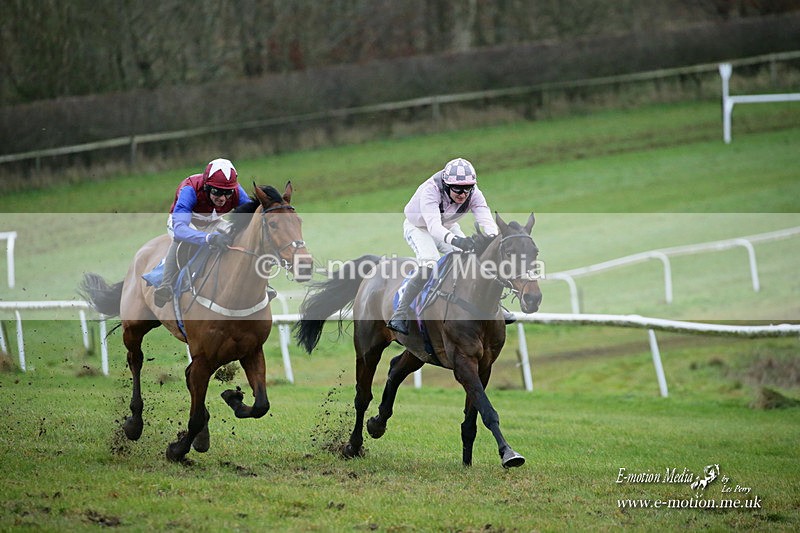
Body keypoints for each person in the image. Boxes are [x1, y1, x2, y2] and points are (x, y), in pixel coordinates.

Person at [386, 157, 515, 334]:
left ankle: (497, 306)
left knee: (474, 260)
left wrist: (492, 239)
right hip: (419, 227)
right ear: (446, 186)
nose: (463, 194)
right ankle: (400, 313)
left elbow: (485, 218)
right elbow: (433, 227)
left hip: (447, 226)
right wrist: (457, 241)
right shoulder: (431, 190)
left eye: (467, 189)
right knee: (430, 263)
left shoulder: (474, 193)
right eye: (457, 189)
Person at [153, 158, 251, 307]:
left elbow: (254, 217)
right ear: (206, 187)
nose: (223, 198)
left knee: (239, 236)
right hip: (183, 223)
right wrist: (209, 238)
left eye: (227, 193)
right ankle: (165, 285)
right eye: (217, 192)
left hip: (213, 222)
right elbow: (180, 230)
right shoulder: (189, 189)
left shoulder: (237, 192)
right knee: (182, 240)